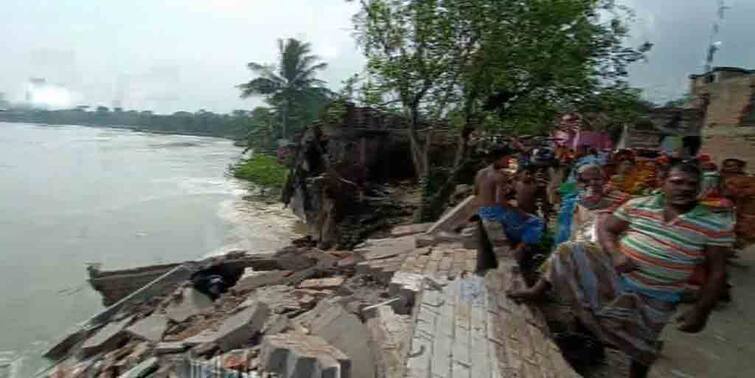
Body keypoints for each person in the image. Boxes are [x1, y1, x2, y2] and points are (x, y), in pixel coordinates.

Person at [508, 161, 734, 378]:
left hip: (659, 292)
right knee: (569, 250)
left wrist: (701, 310)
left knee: (643, 346)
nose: (685, 188)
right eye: (678, 182)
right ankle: (537, 291)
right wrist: (616, 254)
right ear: (663, 181)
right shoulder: (638, 205)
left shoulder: (713, 222)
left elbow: (717, 271)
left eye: (691, 184)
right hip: (617, 275)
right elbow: (608, 230)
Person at [475, 147, 544, 272]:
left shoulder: (480, 173)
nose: (509, 161)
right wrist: (520, 212)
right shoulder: (499, 176)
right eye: (507, 159)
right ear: (500, 159)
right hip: (496, 213)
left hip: (483, 210)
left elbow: (476, 192)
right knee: (536, 222)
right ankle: (519, 250)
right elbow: (500, 201)